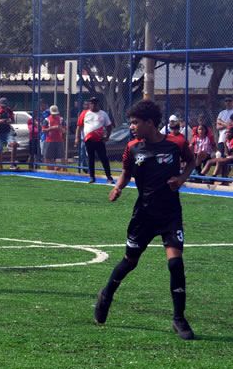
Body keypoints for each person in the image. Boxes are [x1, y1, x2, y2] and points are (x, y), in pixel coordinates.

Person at [94, 99, 197, 340]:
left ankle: (179, 318)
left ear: (150, 123)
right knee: (130, 261)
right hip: (144, 215)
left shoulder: (176, 143)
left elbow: (191, 161)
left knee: (175, 263)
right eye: (131, 122)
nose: (132, 126)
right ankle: (106, 294)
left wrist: (181, 178)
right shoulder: (132, 147)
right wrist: (118, 188)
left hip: (170, 213)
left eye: (135, 122)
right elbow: (127, 172)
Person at [79, 97, 114, 183]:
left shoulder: (103, 114)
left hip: (99, 140)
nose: (93, 105)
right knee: (91, 158)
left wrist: (107, 136)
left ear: (98, 104)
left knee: (104, 158)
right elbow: (79, 126)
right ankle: (92, 177)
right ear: (89, 104)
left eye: (95, 103)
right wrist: (77, 138)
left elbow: (109, 126)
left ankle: (109, 177)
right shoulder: (85, 113)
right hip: (88, 140)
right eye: (91, 103)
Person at [0, 97, 18, 170]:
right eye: (2, 105)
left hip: (7, 131)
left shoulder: (9, 110)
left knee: (14, 144)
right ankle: (0, 167)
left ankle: (12, 164)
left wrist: (8, 121)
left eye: (5, 105)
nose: (3, 107)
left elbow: (13, 120)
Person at [42, 105, 66, 172]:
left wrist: (60, 129)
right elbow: (43, 130)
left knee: (61, 156)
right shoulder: (47, 120)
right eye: (53, 114)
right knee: (47, 156)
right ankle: (50, 170)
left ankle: (64, 169)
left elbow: (65, 130)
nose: (55, 115)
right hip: (49, 140)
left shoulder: (61, 119)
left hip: (59, 140)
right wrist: (51, 128)